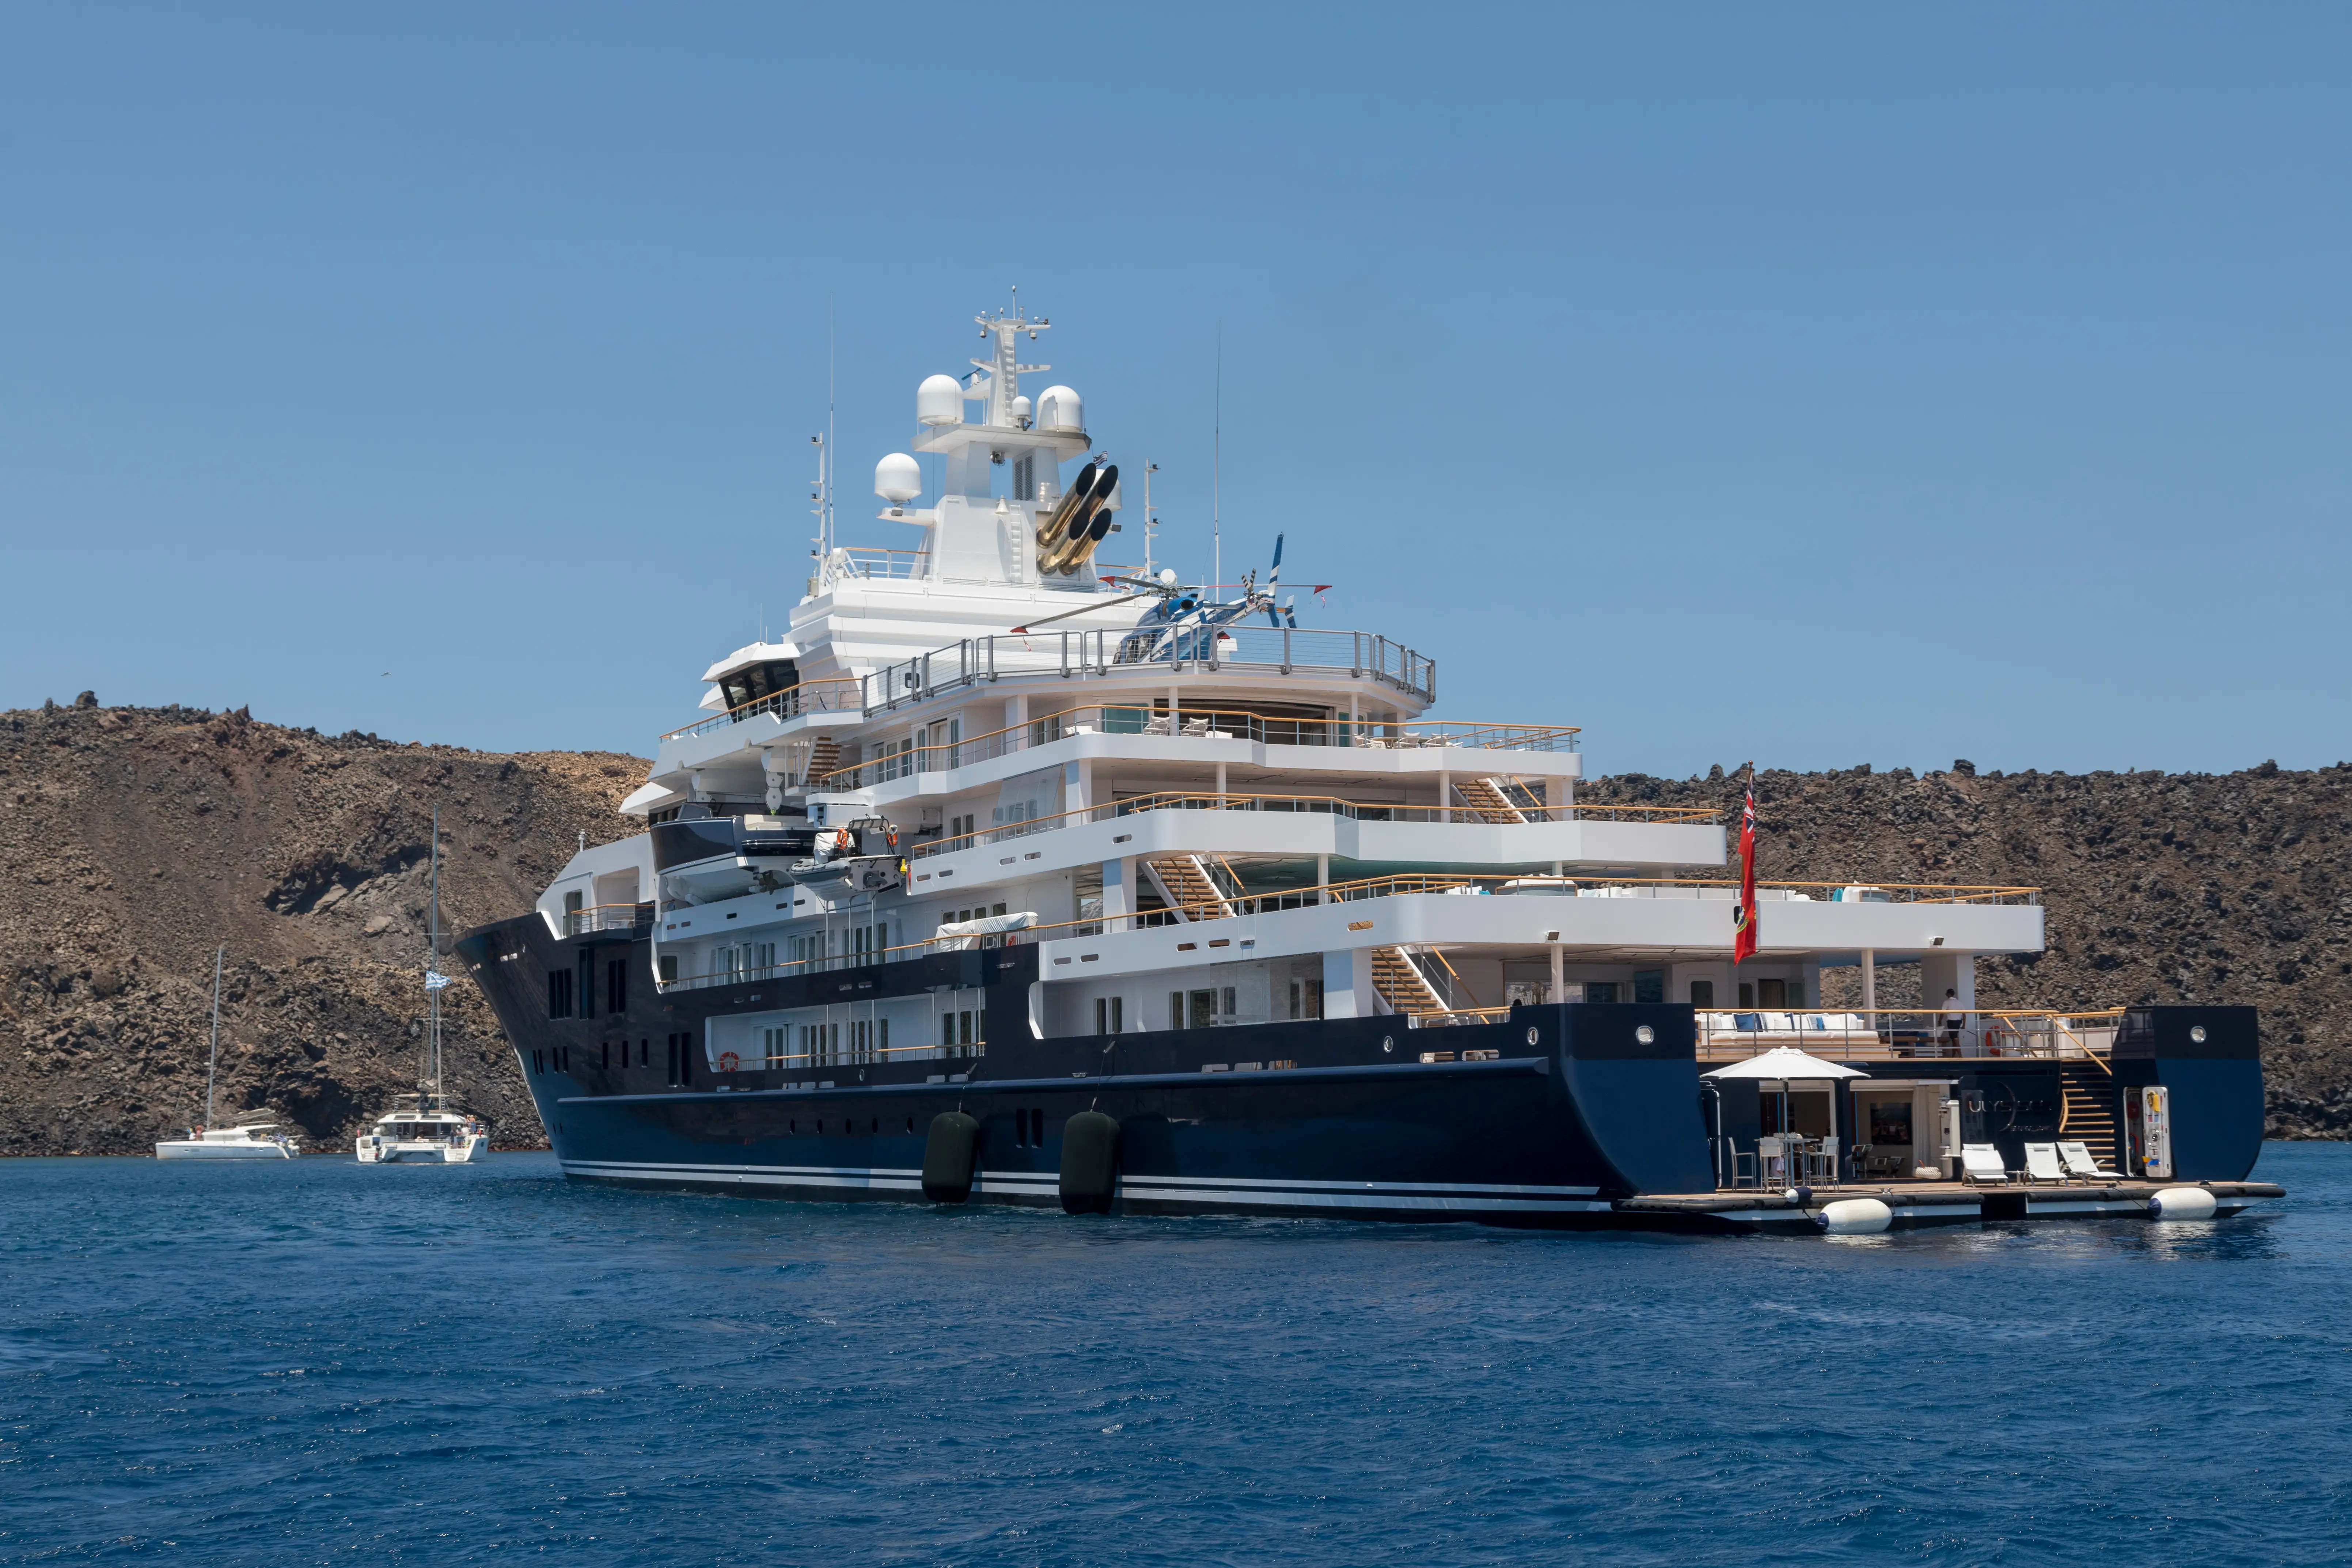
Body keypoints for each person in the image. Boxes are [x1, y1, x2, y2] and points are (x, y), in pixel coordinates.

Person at [1939, 988, 1966, 1055]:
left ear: (1948, 994)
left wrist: (1940, 1021)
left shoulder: (1947, 1002)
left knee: (1955, 1038)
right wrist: (1964, 1025)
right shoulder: (1959, 1003)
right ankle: (1953, 1056)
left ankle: (1960, 1055)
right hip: (1959, 1022)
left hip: (1951, 1022)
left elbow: (1942, 1013)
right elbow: (1964, 1014)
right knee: (1954, 1039)